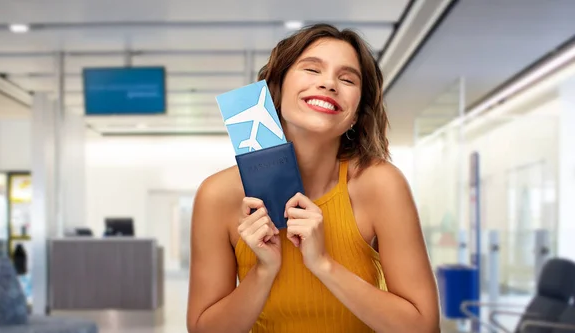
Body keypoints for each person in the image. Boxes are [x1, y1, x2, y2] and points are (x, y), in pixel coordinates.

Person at [186, 23, 440, 333]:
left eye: (347, 79)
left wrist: (322, 264)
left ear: (357, 113)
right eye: (312, 70)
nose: (329, 84)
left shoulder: (380, 184)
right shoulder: (218, 195)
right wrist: (264, 271)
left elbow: (423, 327)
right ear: (275, 90)